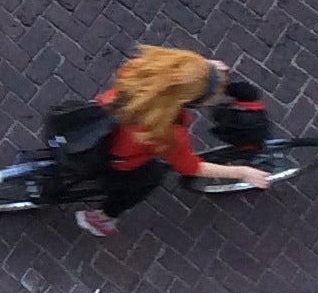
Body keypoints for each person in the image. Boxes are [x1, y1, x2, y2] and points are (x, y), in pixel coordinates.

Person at [75, 46, 271, 237]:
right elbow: (191, 167)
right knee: (149, 178)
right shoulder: (164, 132)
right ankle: (101, 218)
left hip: (101, 119)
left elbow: (177, 74)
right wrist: (241, 172)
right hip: (118, 158)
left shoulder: (140, 68)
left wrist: (204, 70)